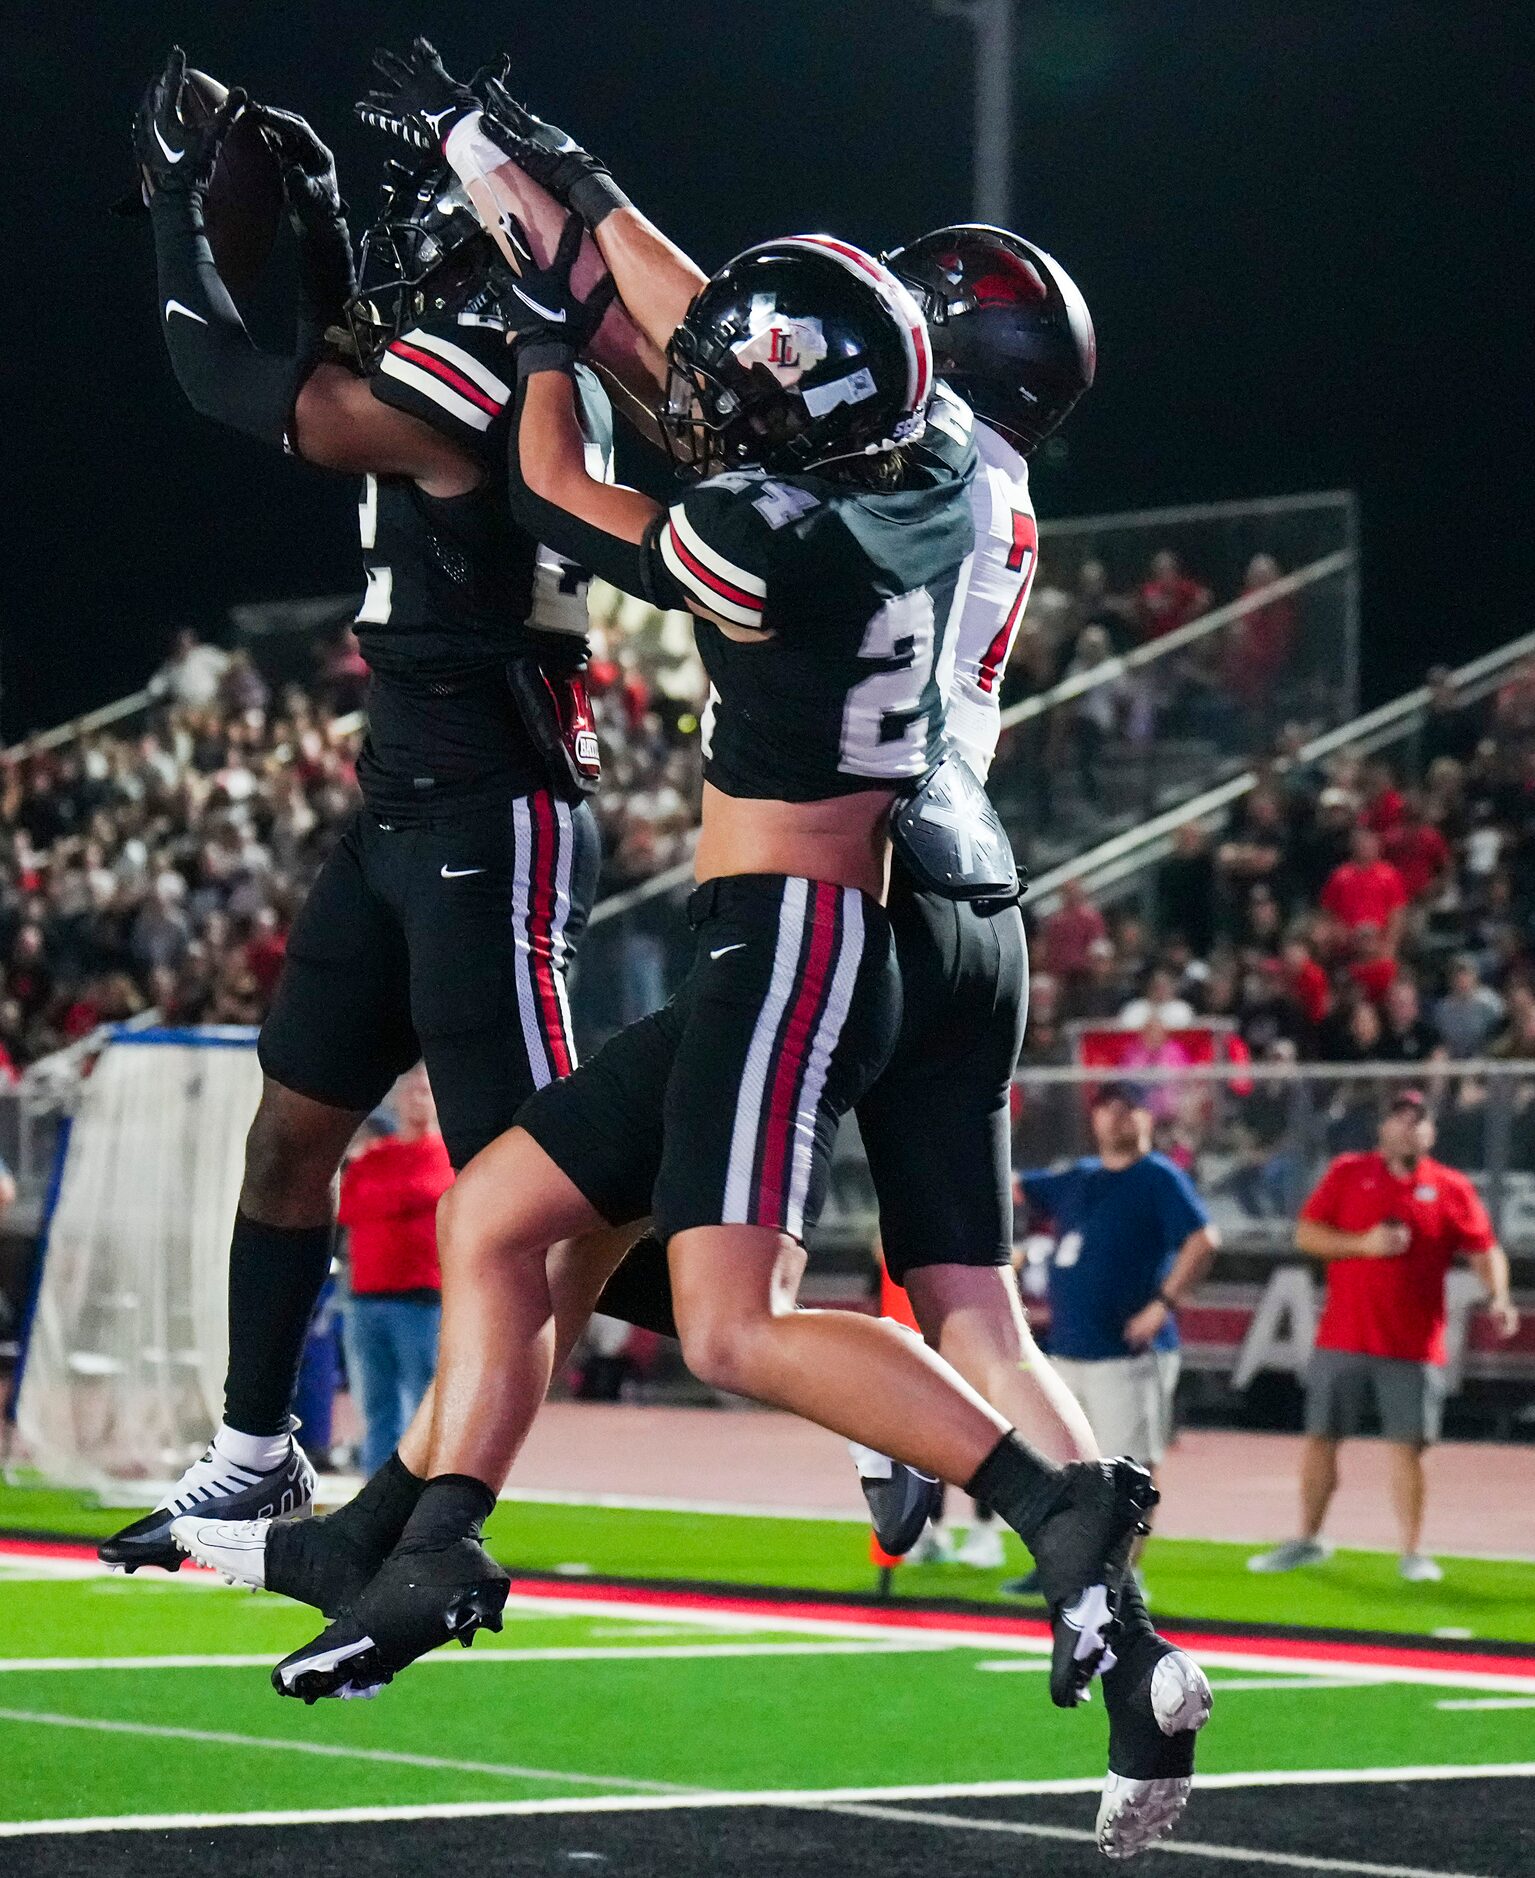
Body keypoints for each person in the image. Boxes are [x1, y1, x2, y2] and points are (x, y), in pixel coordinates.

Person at [178, 55, 1209, 1855]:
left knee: (732, 1314)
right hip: (962, 899)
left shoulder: (765, 535)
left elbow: (588, 454)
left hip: (813, 920)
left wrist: (539, 298)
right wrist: (552, 174)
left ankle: (1048, 1510)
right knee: (532, 1218)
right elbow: (719, 336)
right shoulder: (980, 477)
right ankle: (421, 1537)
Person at [101, 50, 649, 1570]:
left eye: (424, 224)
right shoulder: (481, 348)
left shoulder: (487, 376)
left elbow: (239, 378)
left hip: (496, 817)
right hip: (399, 809)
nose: (406, 251)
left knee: (532, 1193)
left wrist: (171, 215)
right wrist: (331, 214)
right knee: (290, 1133)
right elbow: (346, 350)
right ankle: (252, 1452)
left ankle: (814, 1338)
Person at [1248, 1092, 1518, 1582]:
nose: (1410, 1129)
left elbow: (1485, 1249)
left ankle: (1412, 1551)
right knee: (1321, 1439)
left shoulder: (1450, 1187)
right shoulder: (1349, 1173)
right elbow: (1307, 1234)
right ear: (1383, 1128)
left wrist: (1498, 1296)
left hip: (1413, 1344)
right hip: (1344, 1336)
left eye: (1420, 1121)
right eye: (1400, 1119)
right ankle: (1307, 1538)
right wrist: (1363, 1245)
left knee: (1407, 1448)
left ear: (1431, 1133)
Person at [1011, 1084, 1219, 1570]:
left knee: (1129, 1468)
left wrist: (1163, 1304)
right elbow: (1015, 1185)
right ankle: (1069, 1565)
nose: (1117, 1119)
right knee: (1065, 1463)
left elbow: (1203, 1240)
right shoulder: (1080, 1177)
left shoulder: (1158, 1178)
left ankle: (1123, 1574)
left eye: (1128, 1110)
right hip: (1069, 1346)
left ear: (1148, 1119)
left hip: (1127, 1351)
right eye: (1107, 1109)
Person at [338, 1068, 453, 1476]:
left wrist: (386, 1198)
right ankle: (375, 1493)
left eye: (426, 1092)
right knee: (376, 1407)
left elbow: (432, 1191)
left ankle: (423, 1489)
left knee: (425, 1405)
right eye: (413, 1092)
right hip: (366, 1298)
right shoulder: (375, 1157)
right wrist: (403, 1198)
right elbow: (350, 1208)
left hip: (420, 1301)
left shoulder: (448, 1155)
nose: (418, 1100)